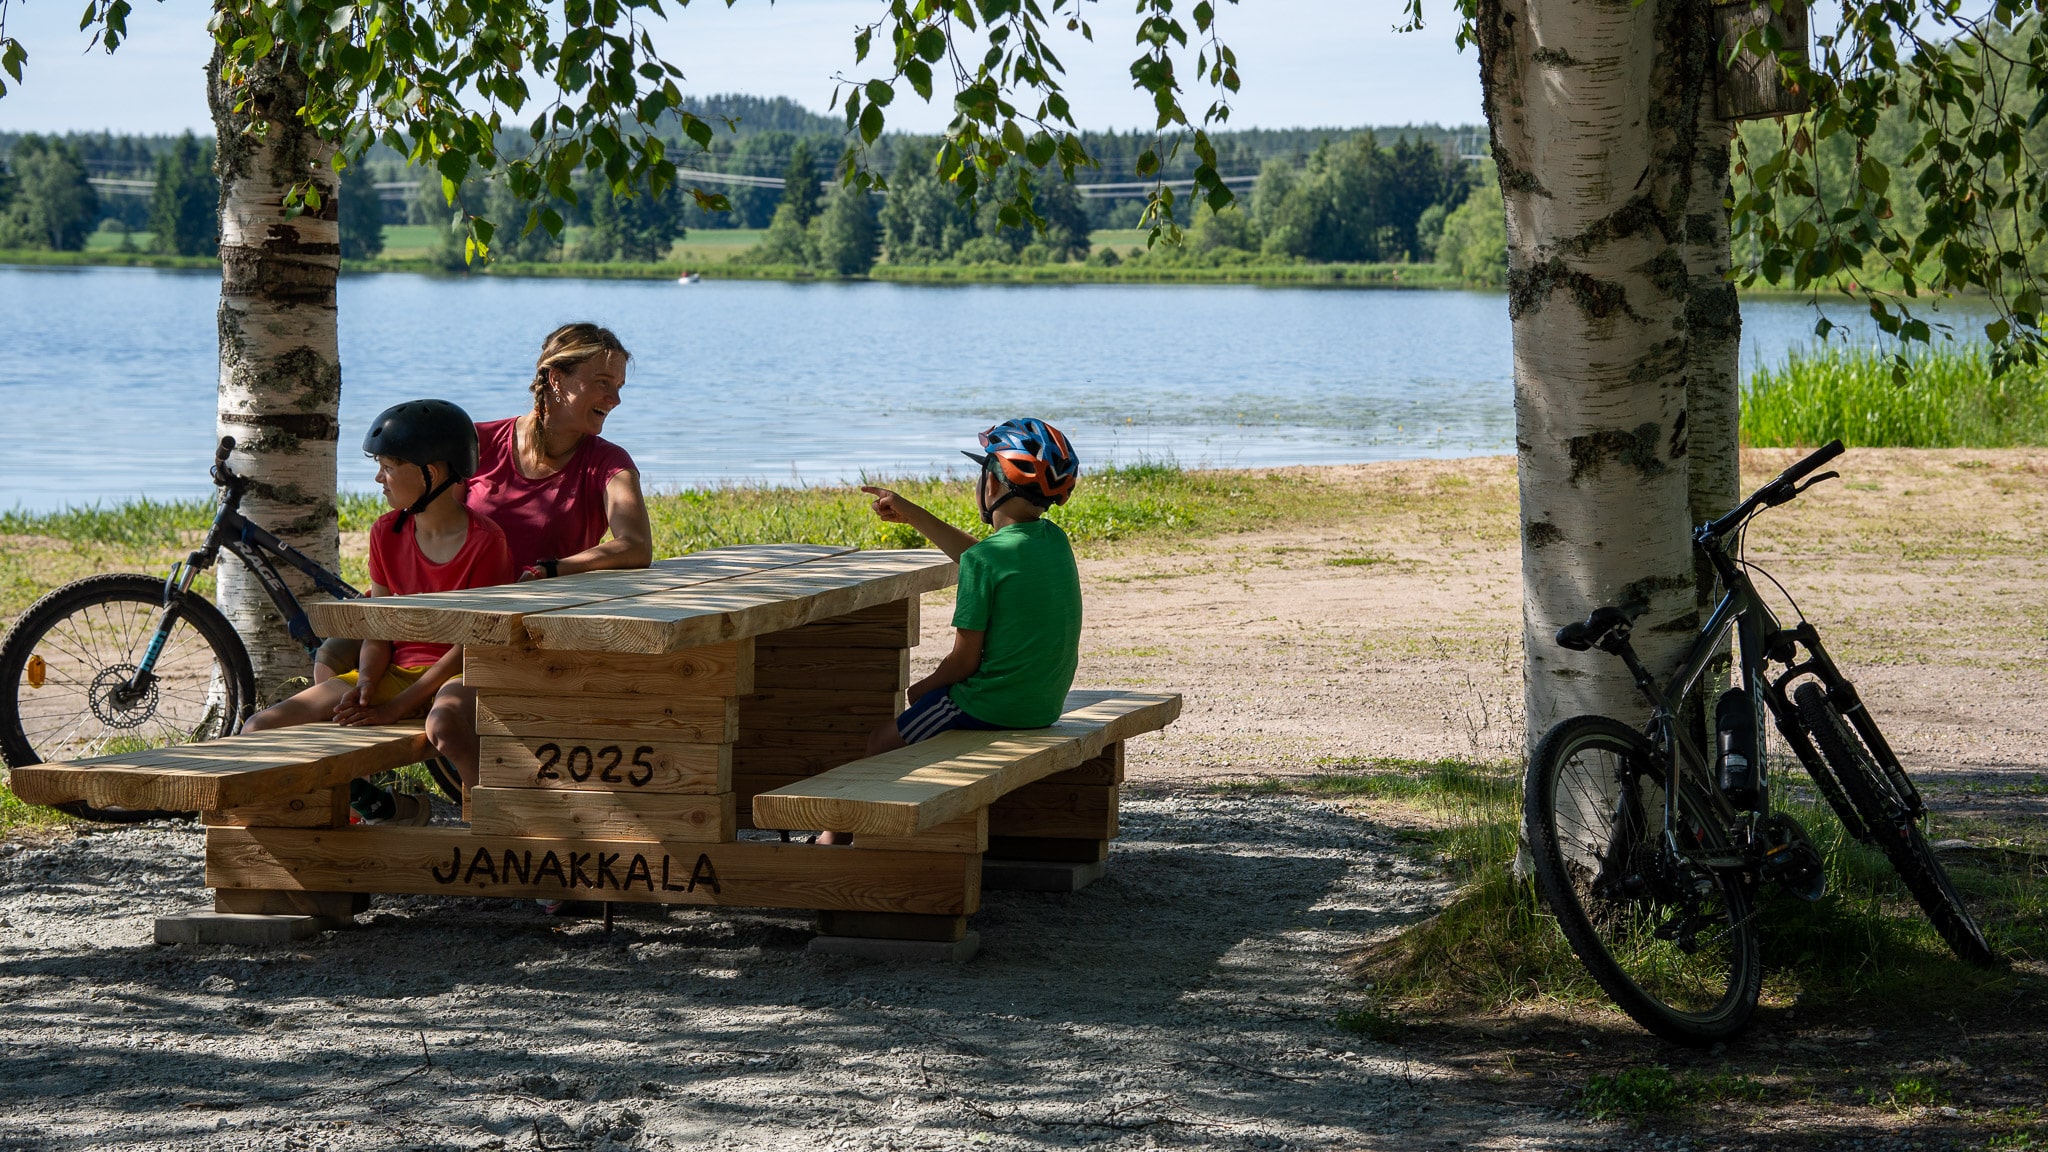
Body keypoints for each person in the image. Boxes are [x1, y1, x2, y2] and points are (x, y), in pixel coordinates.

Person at [313, 322, 653, 685]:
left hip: (516, 619)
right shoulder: (478, 441)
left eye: (617, 387)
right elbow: (421, 519)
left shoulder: (609, 462)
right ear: (556, 378)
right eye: (602, 383)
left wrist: (550, 570)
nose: (614, 399)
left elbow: (635, 546)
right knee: (332, 655)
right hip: (440, 604)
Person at [247, 400, 516, 823]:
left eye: (390, 466)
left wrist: (399, 706)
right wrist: (368, 685)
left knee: (443, 726)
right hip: (395, 672)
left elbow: (473, 643)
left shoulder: (487, 541)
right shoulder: (384, 533)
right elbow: (379, 629)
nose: (379, 477)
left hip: (463, 672)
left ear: (436, 471)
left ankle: (505, 830)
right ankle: (376, 812)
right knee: (260, 729)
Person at [829, 419, 1082, 844]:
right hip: (1042, 704)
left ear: (993, 483)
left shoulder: (986, 561)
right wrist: (912, 514)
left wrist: (925, 687)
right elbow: (982, 558)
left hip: (993, 707)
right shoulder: (1052, 541)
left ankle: (834, 841)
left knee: (878, 743)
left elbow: (963, 662)